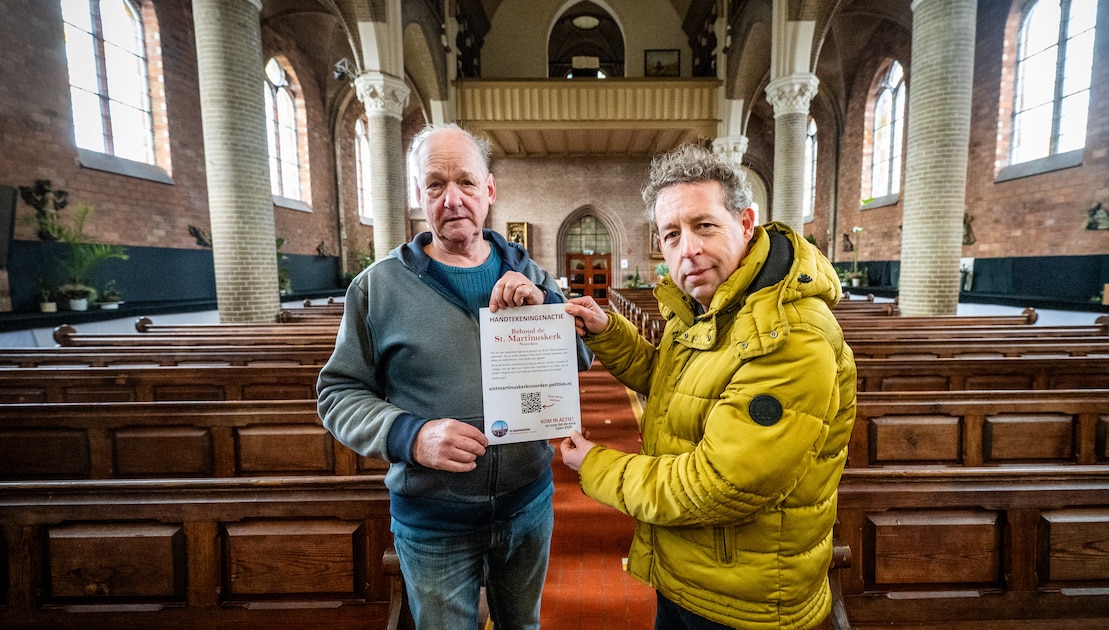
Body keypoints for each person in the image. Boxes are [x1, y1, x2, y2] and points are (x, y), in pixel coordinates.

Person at [560, 144, 857, 630]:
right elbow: (673, 385)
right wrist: (608, 332)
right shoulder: (711, 305)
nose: (688, 249)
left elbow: (721, 484)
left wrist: (596, 465)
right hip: (694, 572)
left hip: (745, 600)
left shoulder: (789, 333)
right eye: (671, 234)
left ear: (745, 222)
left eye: (704, 226)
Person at [316, 122, 593, 629]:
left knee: (523, 626)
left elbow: (579, 360)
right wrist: (411, 435)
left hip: (527, 503)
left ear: (489, 189)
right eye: (435, 184)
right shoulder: (377, 287)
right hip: (433, 520)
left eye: (466, 182)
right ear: (418, 195)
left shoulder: (532, 274)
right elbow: (338, 393)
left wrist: (546, 312)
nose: (453, 199)